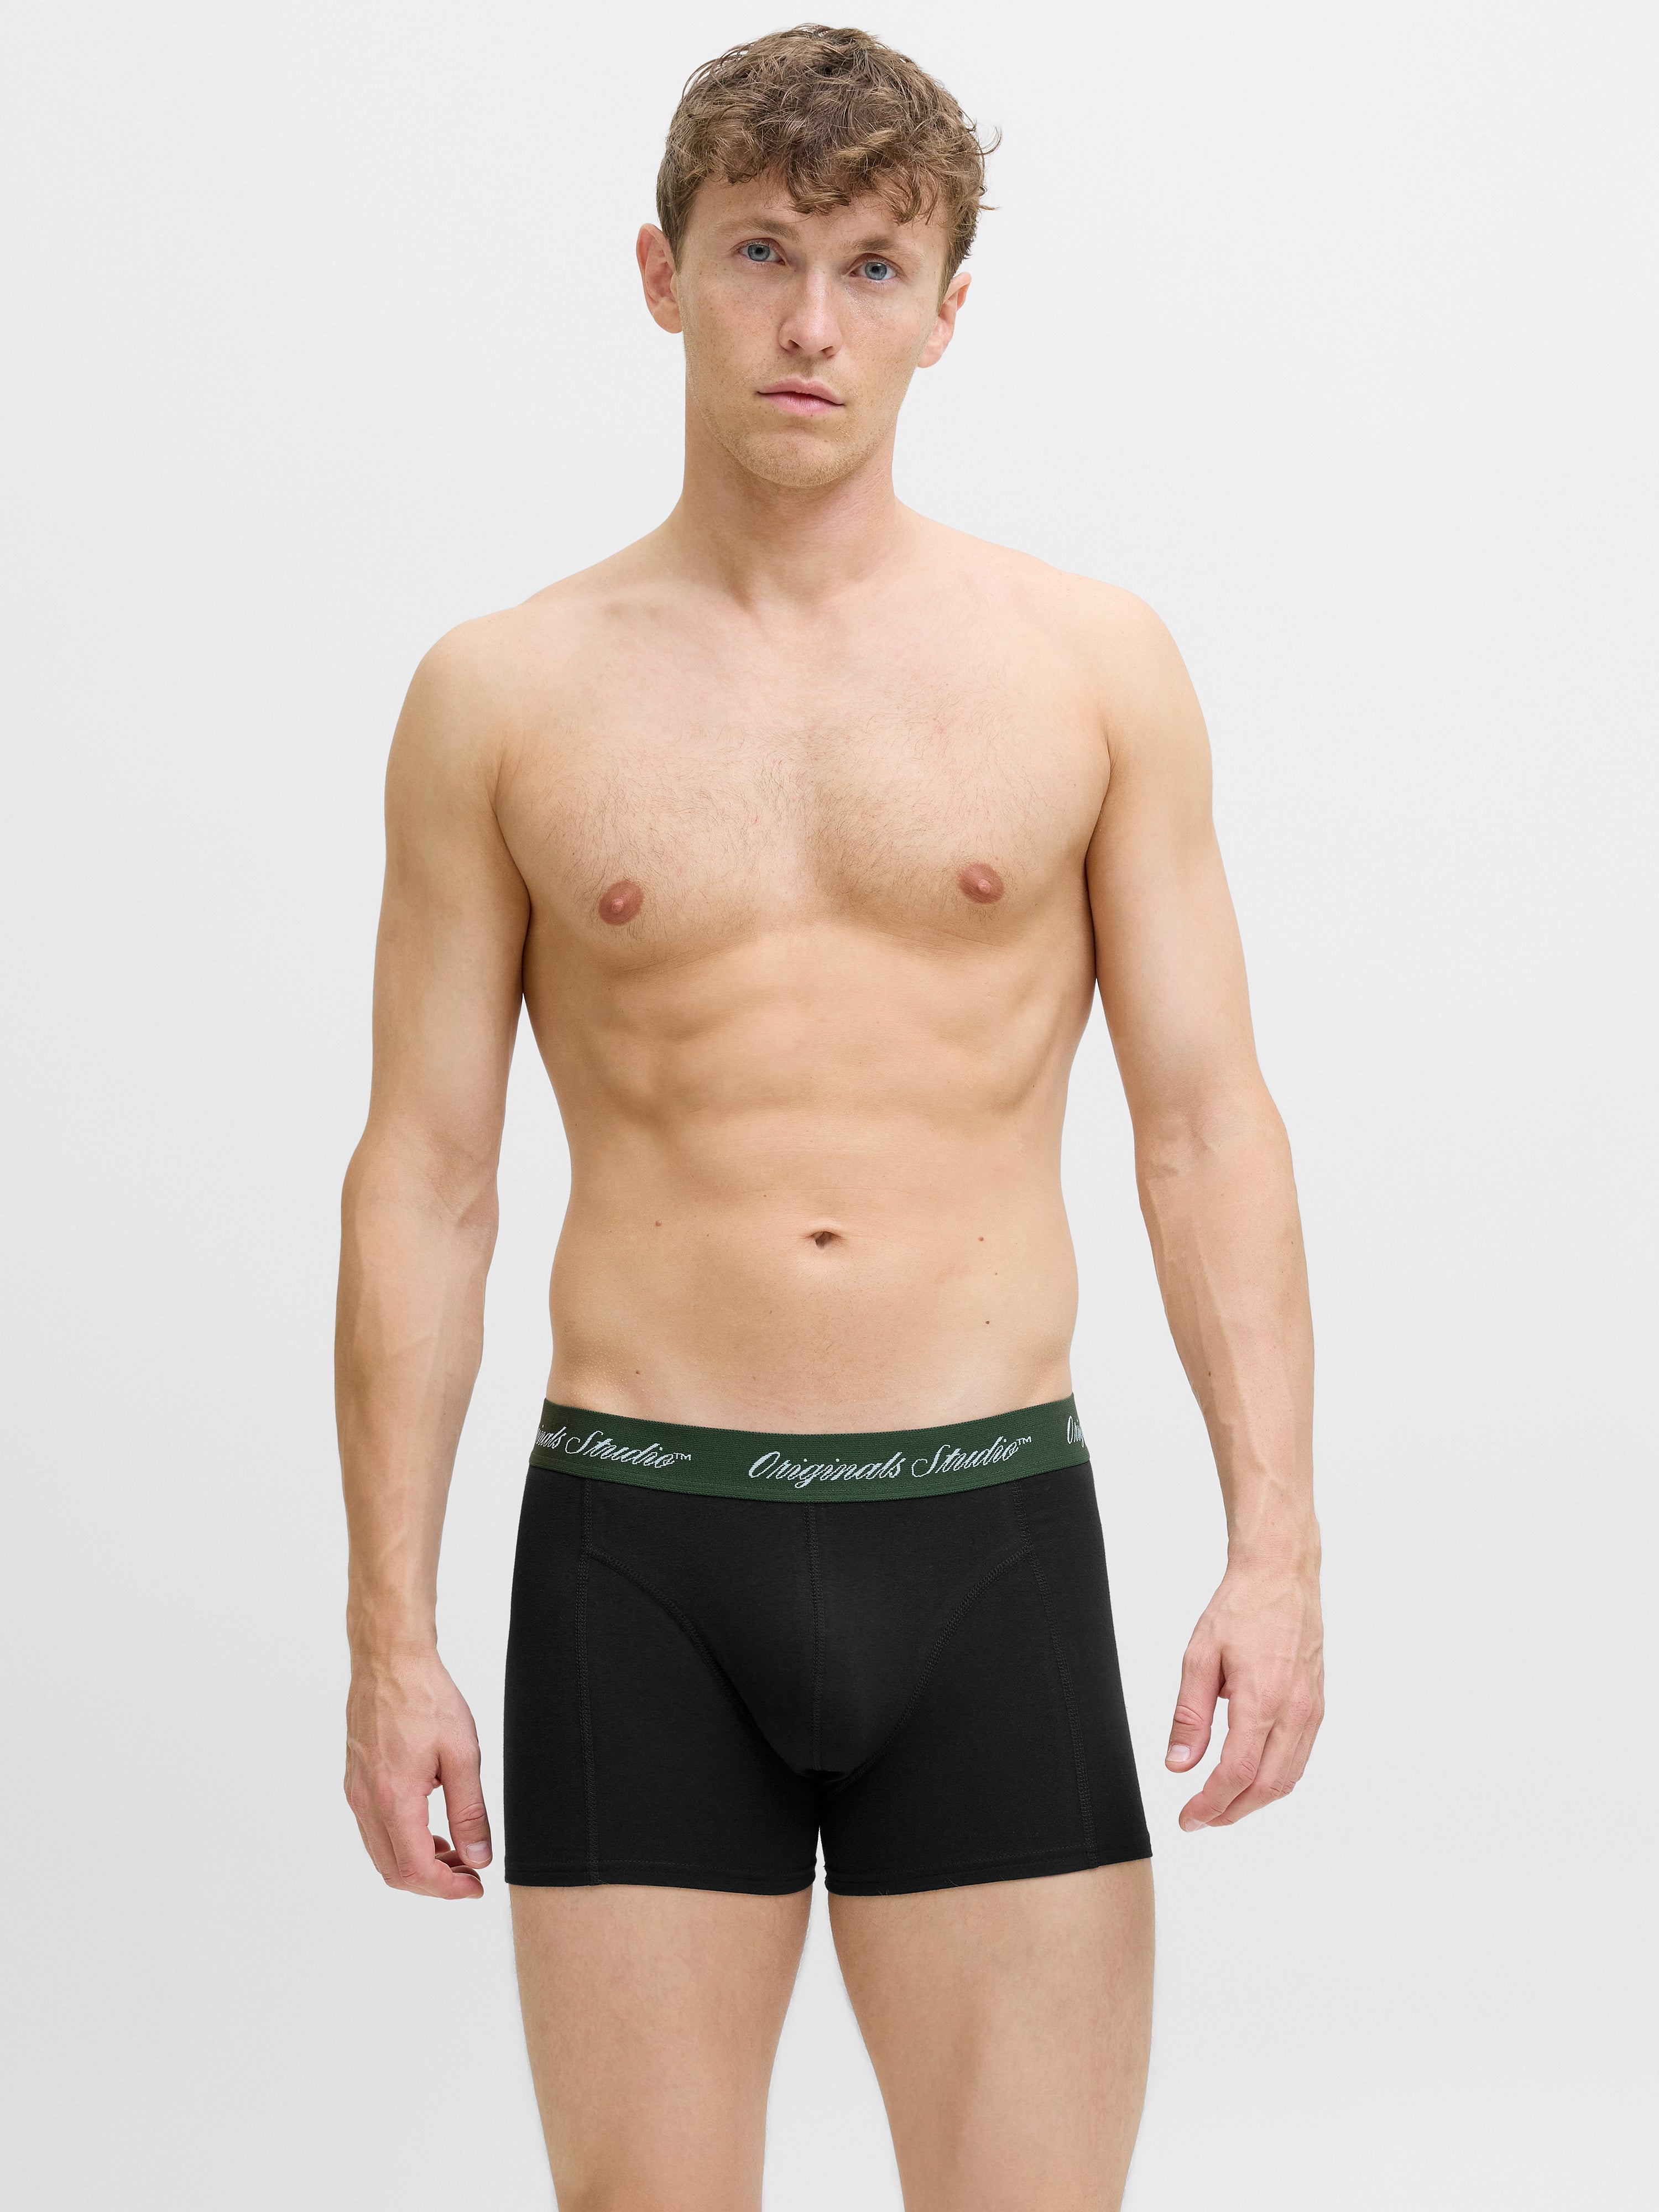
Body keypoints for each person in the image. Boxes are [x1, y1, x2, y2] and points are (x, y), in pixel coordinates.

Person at [337, 23, 1323, 2209]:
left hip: (987, 1539)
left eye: (874, 266)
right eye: (761, 250)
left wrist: (1278, 1548)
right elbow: (425, 1182)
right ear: (661, 273)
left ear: (949, 308)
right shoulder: (501, 694)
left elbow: (1205, 1127)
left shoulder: (1090, 669)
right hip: (636, 1550)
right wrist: (389, 1638)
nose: (811, 322)